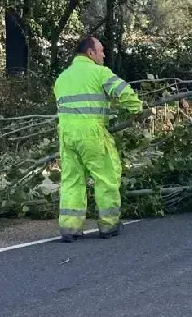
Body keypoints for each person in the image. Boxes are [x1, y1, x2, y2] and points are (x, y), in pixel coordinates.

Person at [53, 35, 143, 242]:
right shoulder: (99, 73)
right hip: (91, 132)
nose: (104, 54)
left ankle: (69, 228)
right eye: (101, 50)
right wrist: (136, 109)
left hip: (66, 134)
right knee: (106, 177)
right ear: (90, 53)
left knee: (71, 180)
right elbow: (124, 91)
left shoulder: (62, 78)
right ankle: (108, 225)